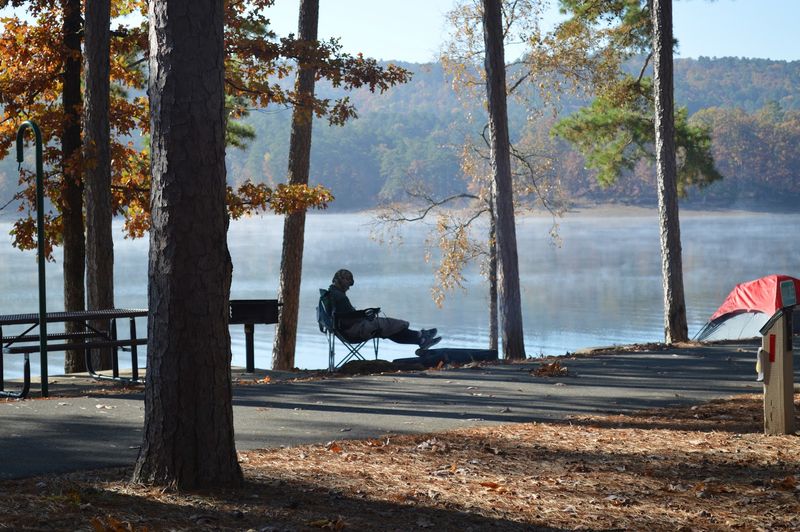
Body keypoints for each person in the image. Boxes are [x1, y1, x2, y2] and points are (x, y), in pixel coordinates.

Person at [325, 269, 441, 351]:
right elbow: (347, 318)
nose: (349, 287)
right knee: (389, 324)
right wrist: (364, 314)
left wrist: (365, 313)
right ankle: (420, 337)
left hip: (347, 330)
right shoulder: (339, 296)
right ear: (340, 281)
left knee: (389, 330)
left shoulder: (332, 293)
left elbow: (345, 316)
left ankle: (420, 339)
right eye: (348, 284)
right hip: (352, 331)